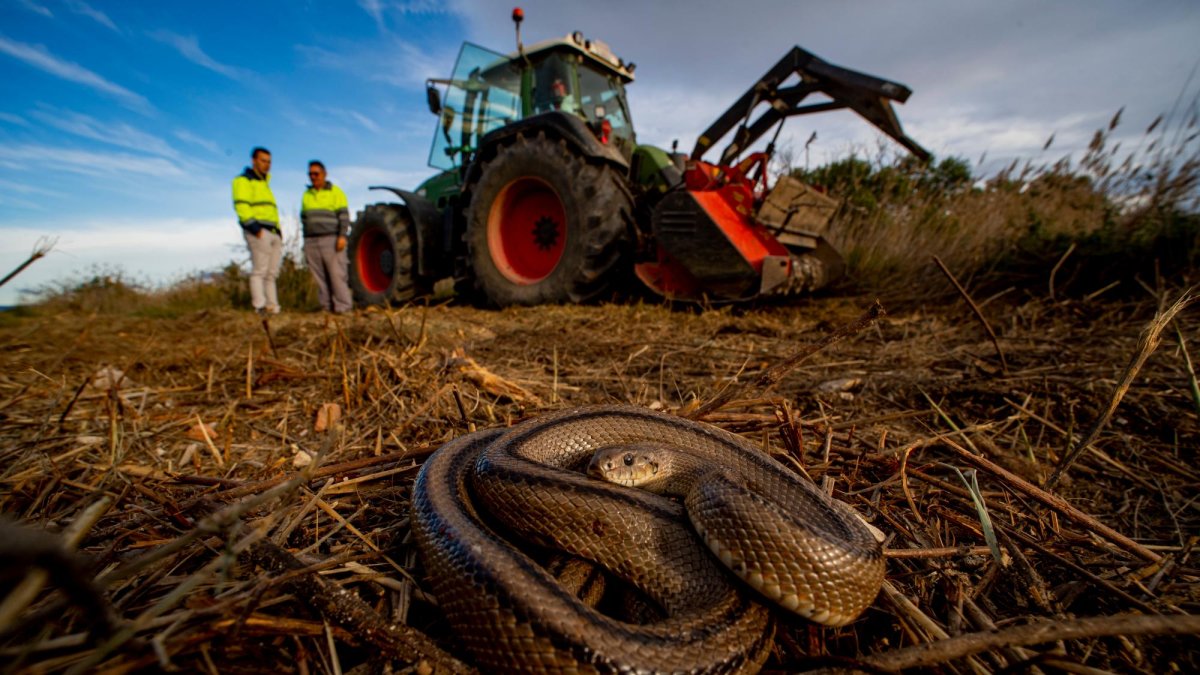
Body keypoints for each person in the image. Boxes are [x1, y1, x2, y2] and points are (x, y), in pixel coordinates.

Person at [232, 147, 282, 315]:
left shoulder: (265, 184)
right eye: (263, 161)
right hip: (259, 231)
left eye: (269, 162)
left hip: (274, 232)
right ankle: (260, 306)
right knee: (260, 270)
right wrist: (255, 228)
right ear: (254, 160)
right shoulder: (243, 181)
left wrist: (279, 232)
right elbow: (241, 206)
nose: (266, 165)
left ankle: (273, 307)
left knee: (272, 273)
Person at [300, 161, 353, 314]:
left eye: (316, 174)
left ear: (324, 174)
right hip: (311, 240)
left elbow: (343, 215)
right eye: (310, 174)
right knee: (319, 277)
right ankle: (326, 307)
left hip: (331, 238)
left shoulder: (335, 192)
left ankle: (343, 307)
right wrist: (305, 240)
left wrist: (342, 236)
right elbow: (304, 219)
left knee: (336, 274)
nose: (313, 177)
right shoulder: (307, 195)